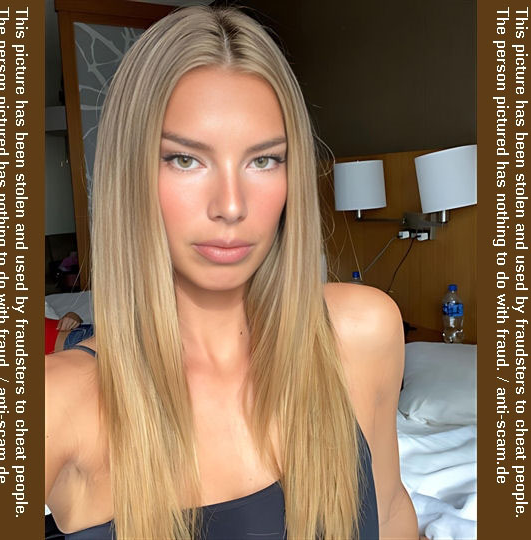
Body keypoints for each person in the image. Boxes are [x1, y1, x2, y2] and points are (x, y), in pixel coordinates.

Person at [45, 5, 421, 539]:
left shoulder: (361, 331)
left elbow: (390, 512)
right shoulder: (58, 401)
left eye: (263, 160)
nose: (231, 205)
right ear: (130, 174)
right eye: (185, 159)